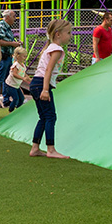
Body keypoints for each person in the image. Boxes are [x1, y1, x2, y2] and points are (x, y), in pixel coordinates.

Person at [29, 18, 74, 159]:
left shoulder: (49, 47)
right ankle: (51, 149)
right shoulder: (56, 49)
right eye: (68, 32)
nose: (70, 35)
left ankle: (35, 148)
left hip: (36, 83)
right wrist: (45, 89)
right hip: (42, 83)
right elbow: (48, 70)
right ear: (58, 34)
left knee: (43, 117)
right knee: (50, 116)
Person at [0, 9, 21, 108]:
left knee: (7, 79)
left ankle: (6, 99)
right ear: (7, 17)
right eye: (14, 16)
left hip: (8, 55)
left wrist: (15, 44)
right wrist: (12, 44)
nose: (15, 19)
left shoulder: (8, 27)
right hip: (2, 55)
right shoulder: (1, 26)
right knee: (0, 78)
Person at [3, 47, 28, 112]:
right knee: (15, 98)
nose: (25, 58)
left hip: (16, 85)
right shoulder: (16, 65)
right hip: (10, 85)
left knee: (21, 98)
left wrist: (29, 79)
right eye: (24, 56)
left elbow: (24, 73)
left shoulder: (22, 65)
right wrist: (23, 78)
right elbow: (15, 74)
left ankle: (18, 110)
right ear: (18, 56)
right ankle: (11, 111)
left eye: (26, 56)